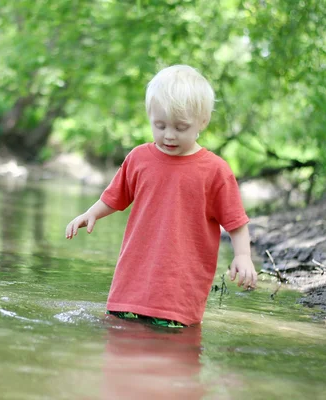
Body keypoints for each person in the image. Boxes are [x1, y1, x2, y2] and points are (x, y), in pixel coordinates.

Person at [65, 65, 257, 327]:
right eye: (160, 125)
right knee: (119, 343)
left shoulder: (215, 171)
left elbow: (236, 222)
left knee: (172, 352)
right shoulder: (139, 158)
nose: (169, 135)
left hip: (178, 292)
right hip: (130, 285)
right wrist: (91, 213)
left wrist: (242, 256)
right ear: (150, 117)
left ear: (202, 122)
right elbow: (115, 196)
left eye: (180, 127)